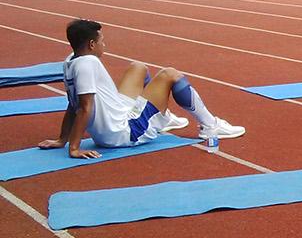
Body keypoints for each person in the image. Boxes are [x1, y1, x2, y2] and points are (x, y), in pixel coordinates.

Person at [40, 19, 244, 159]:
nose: (105, 44)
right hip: (125, 132)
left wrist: (62, 140)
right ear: (92, 44)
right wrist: (73, 148)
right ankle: (210, 126)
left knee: (137, 67)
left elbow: (71, 104)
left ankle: (162, 116)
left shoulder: (70, 61)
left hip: (119, 118)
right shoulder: (88, 64)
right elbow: (83, 107)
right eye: (102, 41)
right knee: (170, 74)